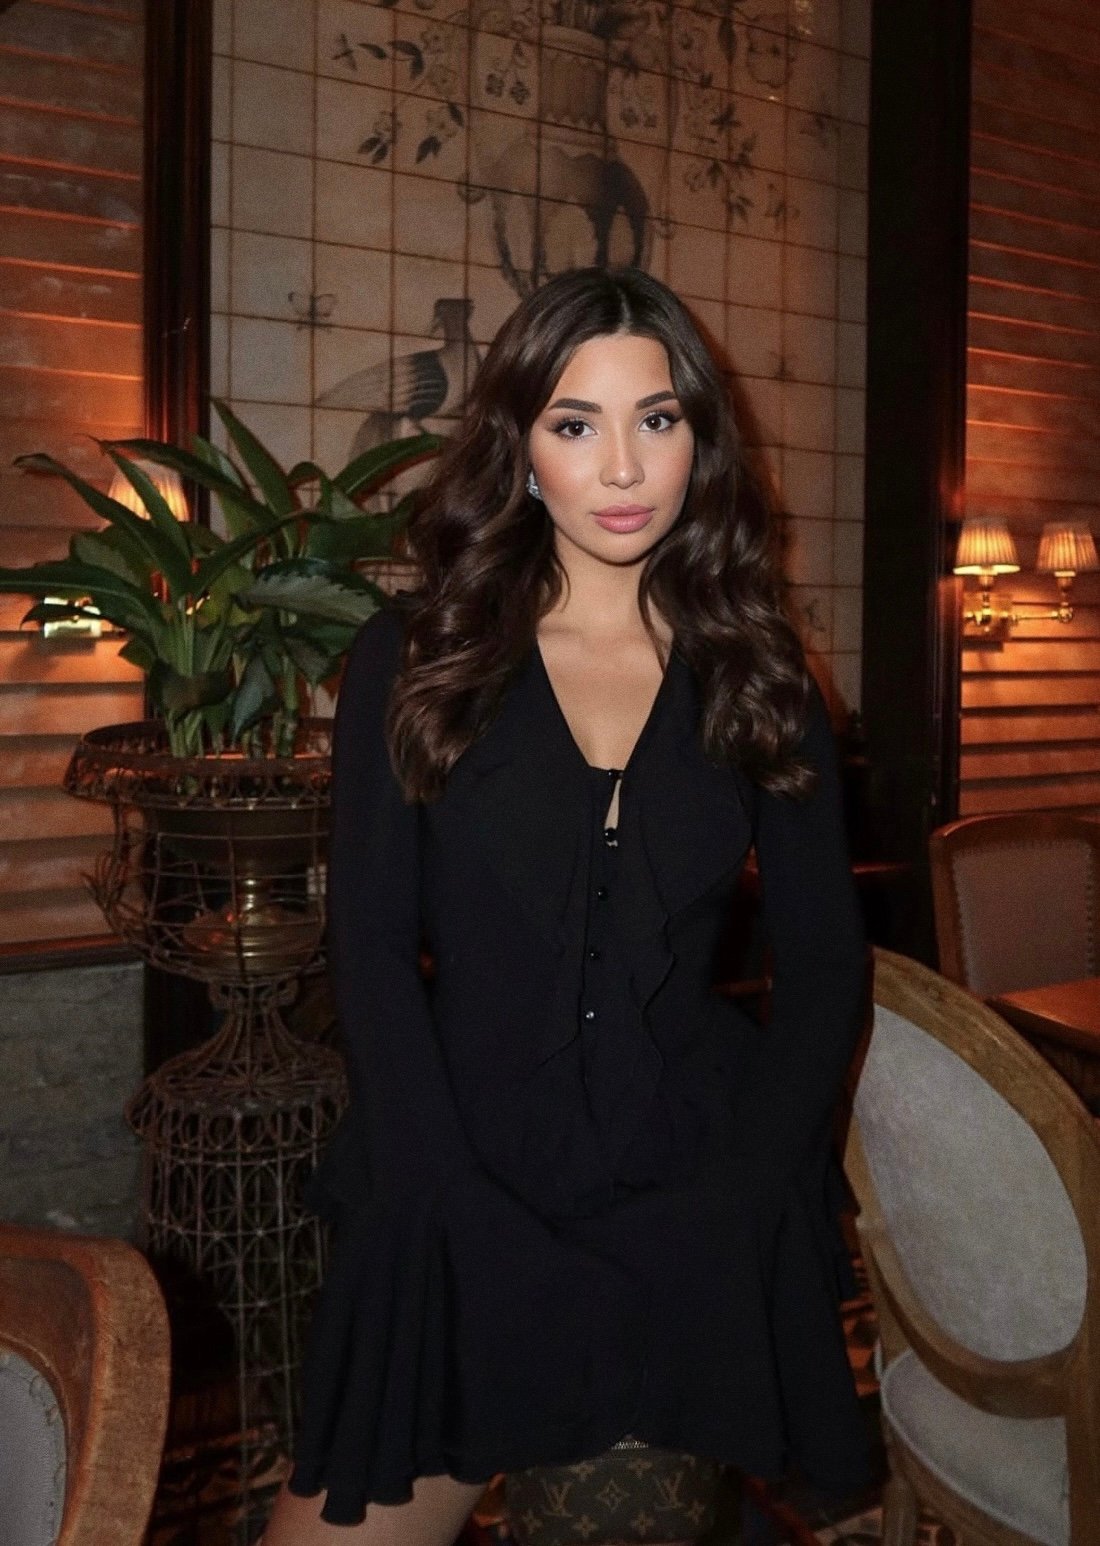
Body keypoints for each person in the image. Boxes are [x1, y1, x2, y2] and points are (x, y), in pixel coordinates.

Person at [261, 266, 870, 1545]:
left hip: (686, 1195)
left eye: (656, 419)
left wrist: (738, 1199)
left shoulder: (758, 671)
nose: (623, 466)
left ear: (699, 438)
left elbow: (825, 969)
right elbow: (368, 951)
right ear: (520, 447)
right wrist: (447, 1201)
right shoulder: (415, 656)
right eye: (575, 423)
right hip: (457, 1188)